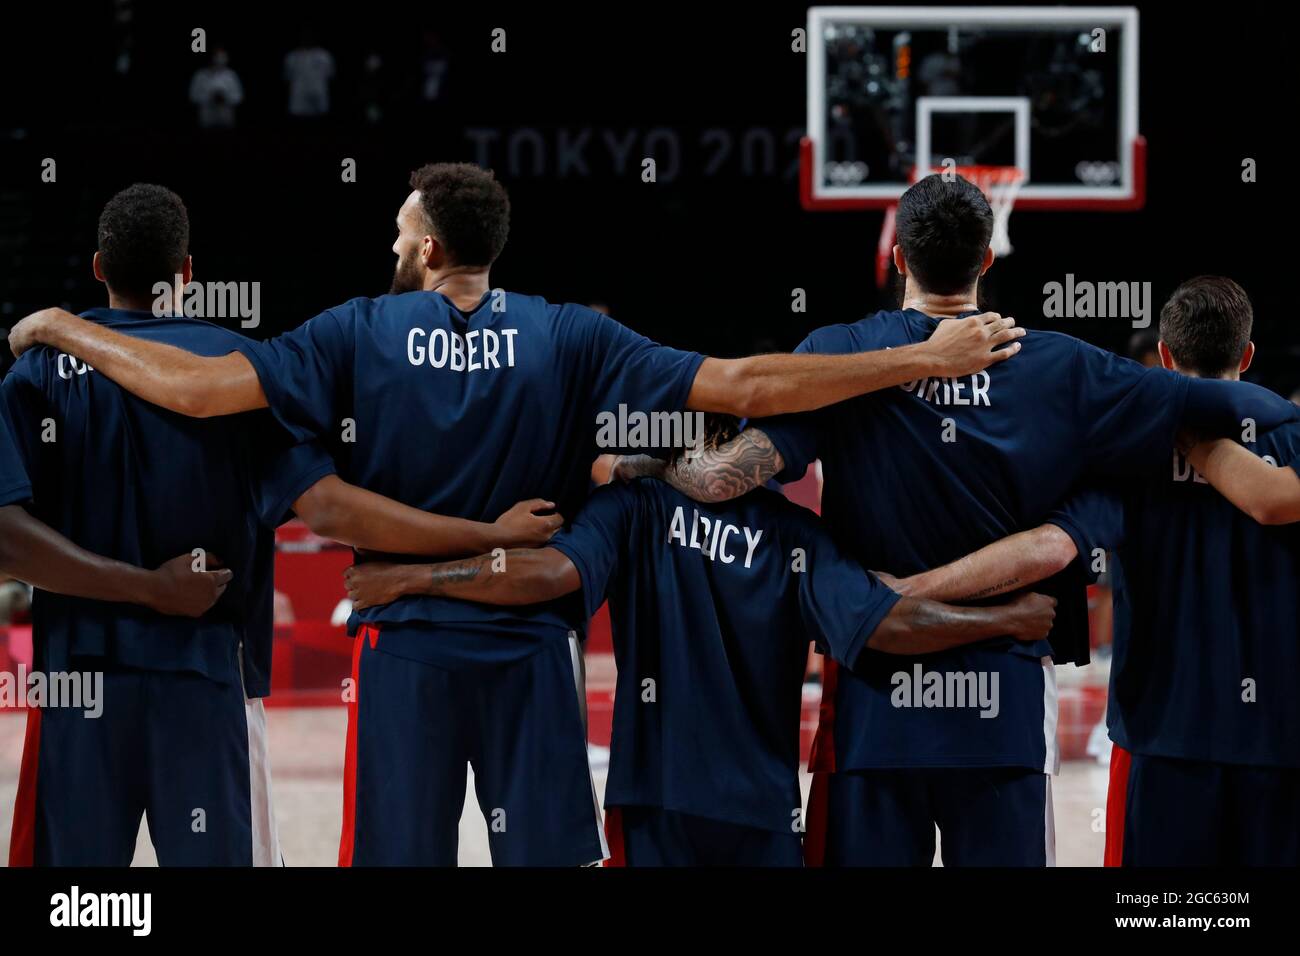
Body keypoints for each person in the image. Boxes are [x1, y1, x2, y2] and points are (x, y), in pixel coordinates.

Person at [6, 163, 1025, 866]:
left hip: (404, 653)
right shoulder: (570, 334)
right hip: (530, 656)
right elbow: (746, 382)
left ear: (431, 245)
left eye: (398, 229)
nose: (388, 239)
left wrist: (61, 327)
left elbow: (192, 390)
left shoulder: (356, 329)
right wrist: (918, 357)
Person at [629, 175, 1298, 866]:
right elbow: (1234, 406)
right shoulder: (1060, 364)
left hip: (872, 711)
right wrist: (1224, 416)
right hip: (1001, 719)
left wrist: (643, 465)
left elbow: (719, 478)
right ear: (987, 259)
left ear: (899, 260)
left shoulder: (838, 354)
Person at [2, 184, 559, 867]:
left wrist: (138, 585)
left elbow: (7, 541)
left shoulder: (34, 374)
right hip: (209, 679)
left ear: (97, 268)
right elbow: (326, 507)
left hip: (76, 684)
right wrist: (485, 533)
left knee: (80, 910)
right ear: (187, 274)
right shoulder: (244, 373)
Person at [343, 414, 1059, 866]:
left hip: (655, 803)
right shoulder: (799, 537)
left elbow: (545, 575)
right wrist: (1006, 619)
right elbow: (887, 625)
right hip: (763, 812)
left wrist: (416, 577)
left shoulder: (635, 505)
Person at [883, 276, 1299, 865]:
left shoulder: (1134, 453)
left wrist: (909, 591)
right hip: (1279, 743)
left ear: (1165, 356)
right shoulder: (1291, 438)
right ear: (1249, 355)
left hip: (1162, 740)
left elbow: (1050, 548)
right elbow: (1274, 500)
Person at [188, 49, 243, 129]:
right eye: (218, 56)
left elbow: (239, 96)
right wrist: (209, 98)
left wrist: (225, 98)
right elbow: (193, 96)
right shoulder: (200, 75)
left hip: (226, 119)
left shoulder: (231, 75)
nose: (220, 59)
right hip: (206, 120)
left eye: (222, 56)